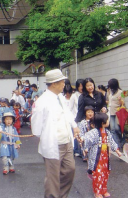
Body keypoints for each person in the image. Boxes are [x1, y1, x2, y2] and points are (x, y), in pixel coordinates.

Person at [31, 69, 80, 198]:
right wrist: (48, 136)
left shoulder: (60, 97)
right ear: (54, 84)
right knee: (53, 178)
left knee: (70, 170)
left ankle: (62, 195)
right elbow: (36, 129)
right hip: (53, 145)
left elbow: (67, 113)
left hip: (67, 142)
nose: (64, 84)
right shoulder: (41, 102)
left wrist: (74, 126)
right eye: (62, 81)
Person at [82, 113, 122, 198]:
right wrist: (84, 146)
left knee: (105, 173)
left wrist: (117, 150)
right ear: (102, 122)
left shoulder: (107, 132)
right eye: (107, 120)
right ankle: (97, 192)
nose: (108, 121)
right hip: (96, 158)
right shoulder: (94, 132)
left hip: (105, 157)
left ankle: (104, 190)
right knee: (98, 175)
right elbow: (87, 140)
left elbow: (112, 142)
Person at [107, 79, 125, 148]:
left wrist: (120, 99)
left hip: (118, 113)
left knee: (117, 128)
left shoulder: (121, 92)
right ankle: (117, 144)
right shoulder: (110, 92)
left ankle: (122, 141)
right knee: (112, 129)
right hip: (111, 112)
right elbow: (109, 101)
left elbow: (123, 103)